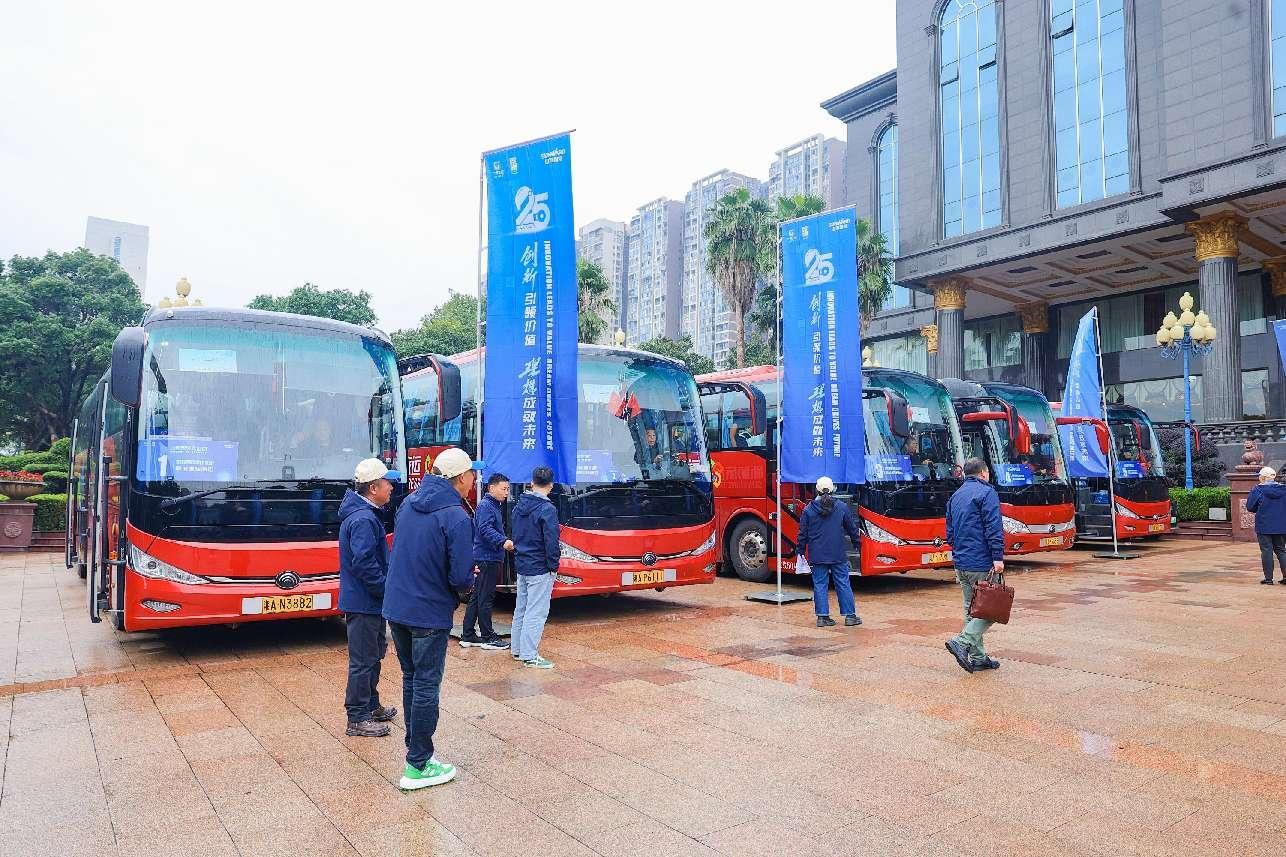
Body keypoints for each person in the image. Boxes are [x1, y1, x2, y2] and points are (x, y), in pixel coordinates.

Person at [382, 446, 478, 791]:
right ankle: (418, 764)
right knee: (425, 684)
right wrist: (469, 582)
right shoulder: (456, 516)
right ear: (461, 478)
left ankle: (415, 751)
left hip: (397, 607)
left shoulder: (409, 503)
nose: (474, 479)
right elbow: (460, 577)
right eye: (472, 474)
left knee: (411, 679)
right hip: (428, 612)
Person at [338, 458, 401, 738]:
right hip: (364, 602)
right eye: (388, 483)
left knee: (373, 655)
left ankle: (371, 705)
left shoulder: (365, 514)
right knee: (363, 660)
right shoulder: (363, 518)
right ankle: (357, 716)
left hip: (369, 601)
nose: (392, 488)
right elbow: (364, 564)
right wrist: (385, 590)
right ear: (373, 487)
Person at [944, 457, 1005, 673]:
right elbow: (993, 526)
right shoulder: (987, 493)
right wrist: (997, 557)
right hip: (981, 562)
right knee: (991, 610)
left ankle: (978, 658)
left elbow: (949, 533)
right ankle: (962, 641)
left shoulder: (955, 496)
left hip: (961, 562)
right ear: (983, 473)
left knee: (972, 610)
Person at [511, 465, 560, 669]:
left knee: (521, 608)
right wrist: (554, 566)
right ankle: (529, 655)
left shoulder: (519, 505)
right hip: (540, 566)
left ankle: (517, 649)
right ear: (551, 485)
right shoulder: (547, 509)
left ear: (532, 483)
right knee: (536, 612)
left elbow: (515, 534)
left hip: (522, 563)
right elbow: (551, 542)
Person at [796, 476, 861, 628]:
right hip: (837, 553)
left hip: (817, 554)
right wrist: (857, 543)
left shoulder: (808, 509)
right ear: (833, 489)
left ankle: (822, 617)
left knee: (820, 584)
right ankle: (850, 616)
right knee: (843, 583)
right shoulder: (841, 507)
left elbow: (802, 534)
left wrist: (800, 550)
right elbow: (852, 528)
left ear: (816, 490)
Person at [461, 473, 513, 649]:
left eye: (508, 489)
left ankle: (468, 634)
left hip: (487, 557)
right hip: (487, 558)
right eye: (503, 489)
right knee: (485, 598)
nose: (506, 493)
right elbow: (484, 529)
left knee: (477, 597)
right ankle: (487, 636)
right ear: (491, 488)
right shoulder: (486, 506)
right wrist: (503, 541)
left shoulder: (492, 505)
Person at [1247, 466, 1286, 585]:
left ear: (1263, 477)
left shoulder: (1258, 490)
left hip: (1264, 525)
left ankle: (1268, 579)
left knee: (1266, 551)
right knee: (1281, 550)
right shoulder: (1284, 489)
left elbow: (1250, 507)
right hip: (1281, 526)